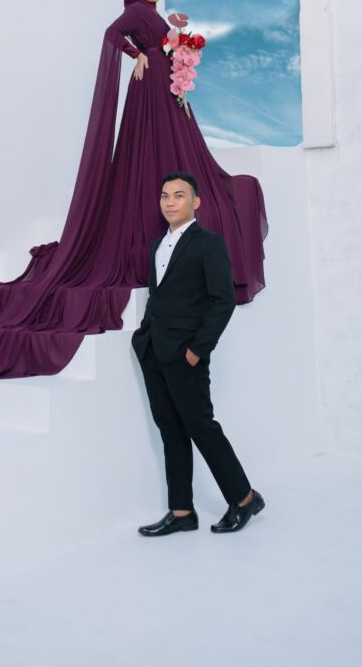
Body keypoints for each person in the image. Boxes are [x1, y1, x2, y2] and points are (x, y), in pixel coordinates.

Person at [0, 0, 268, 411]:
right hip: (148, 93)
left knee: (175, 155)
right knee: (149, 155)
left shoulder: (155, 16)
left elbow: (164, 46)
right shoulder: (135, 12)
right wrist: (137, 54)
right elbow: (111, 35)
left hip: (165, 90)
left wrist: (176, 49)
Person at [133, 172, 265, 536]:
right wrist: (144, 337)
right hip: (154, 350)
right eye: (165, 195)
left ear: (196, 202)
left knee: (201, 427)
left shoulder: (209, 243)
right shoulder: (158, 245)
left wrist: (196, 351)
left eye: (179, 195)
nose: (170, 202)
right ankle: (181, 512)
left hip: (185, 355)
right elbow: (160, 295)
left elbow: (222, 301)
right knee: (170, 429)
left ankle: (244, 498)